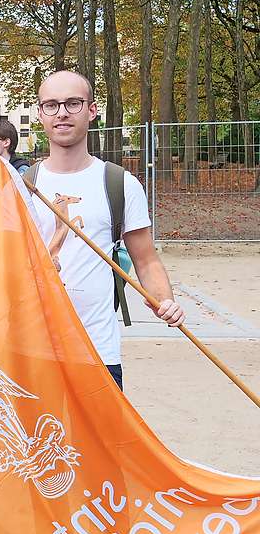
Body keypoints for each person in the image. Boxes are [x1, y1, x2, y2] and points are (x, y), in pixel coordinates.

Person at [30, 70, 184, 389]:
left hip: (97, 351)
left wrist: (164, 300)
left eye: (73, 103)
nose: (61, 113)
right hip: (33, 351)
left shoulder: (120, 184)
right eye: (51, 105)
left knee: (104, 442)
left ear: (92, 110)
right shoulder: (22, 186)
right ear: (40, 113)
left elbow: (145, 259)